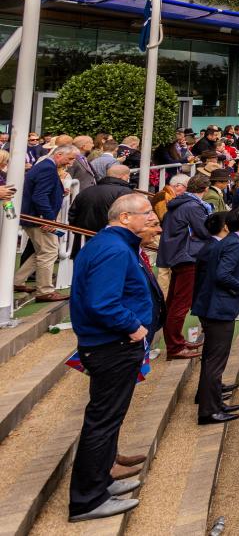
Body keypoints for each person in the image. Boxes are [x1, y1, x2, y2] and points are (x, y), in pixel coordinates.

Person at [66, 193, 161, 521]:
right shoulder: (113, 249)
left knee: (107, 420)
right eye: (146, 212)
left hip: (111, 345)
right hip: (113, 346)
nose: (152, 218)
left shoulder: (111, 245)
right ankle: (87, 499)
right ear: (124, 218)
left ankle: (101, 481)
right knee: (103, 422)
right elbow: (102, 302)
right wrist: (133, 327)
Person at [193, 208, 239, 424]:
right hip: (219, 309)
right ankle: (208, 410)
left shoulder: (228, 242)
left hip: (217, 307)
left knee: (214, 360)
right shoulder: (233, 244)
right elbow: (223, 275)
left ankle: (214, 402)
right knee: (215, 361)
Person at [156, 173, 209, 358]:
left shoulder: (182, 204)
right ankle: (175, 347)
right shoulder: (193, 206)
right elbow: (204, 230)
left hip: (179, 255)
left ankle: (175, 341)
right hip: (187, 256)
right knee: (180, 304)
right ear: (206, 189)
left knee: (174, 302)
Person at [18, 143, 77, 301]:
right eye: (70, 159)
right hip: (39, 218)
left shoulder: (46, 166)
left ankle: (17, 281)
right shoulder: (47, 168)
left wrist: (59, 192)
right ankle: (44, 291)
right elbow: (40, 196)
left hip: (36, 216)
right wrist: (50, 219)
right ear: (59, 155)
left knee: (41, 251)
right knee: (49, 251)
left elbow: (41, 192)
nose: (70, 163)